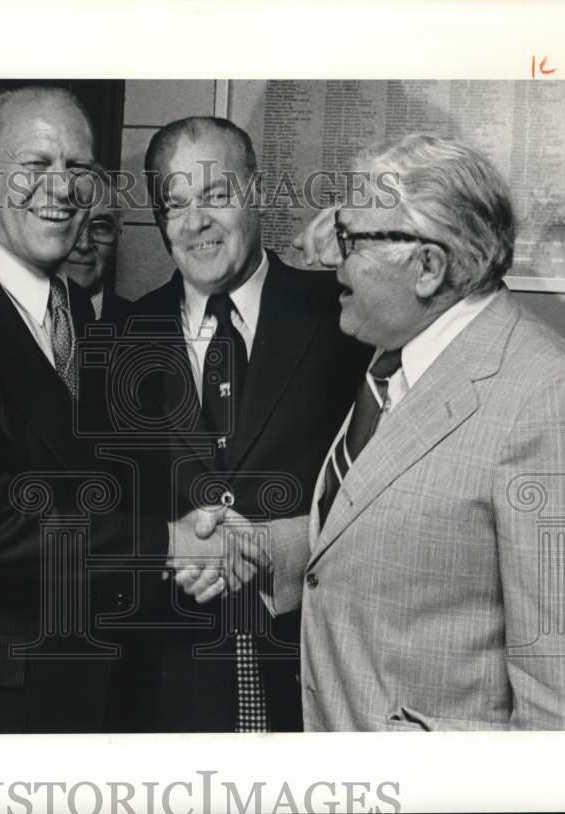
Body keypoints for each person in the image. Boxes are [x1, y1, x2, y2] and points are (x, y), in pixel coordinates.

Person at [178, 134, 565, 731]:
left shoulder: (550, 402)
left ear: (427, 267)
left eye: (352, 241)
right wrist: (269, 549)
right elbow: (420, 537)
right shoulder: (396, 360)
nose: (330, 261)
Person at [0, 86, 227, 734]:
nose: (61, 188)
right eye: (35, 165)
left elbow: (111, 482)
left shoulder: (83, 318)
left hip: (102, 696)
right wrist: (165, 543)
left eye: (78, 169)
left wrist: (216, 523)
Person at [131, 116, 369, 732]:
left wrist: (286, 541)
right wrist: (164, 547)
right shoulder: (117, 337)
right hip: (169, 684)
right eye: (175, 203)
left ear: (256, 192)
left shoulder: (341, 318)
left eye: (216, 196)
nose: (195, 222)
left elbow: (384, 480)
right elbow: (96, 492)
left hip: (317, 671)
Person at [57, 169, 129, 322]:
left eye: (100, 227)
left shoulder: (140, 328)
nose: (84, 245)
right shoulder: (8, 319)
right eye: (69, 224)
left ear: (117, 234)